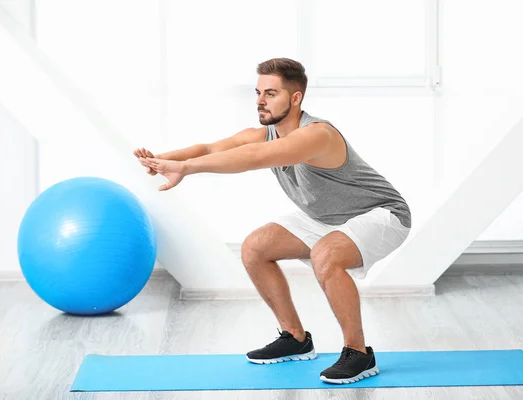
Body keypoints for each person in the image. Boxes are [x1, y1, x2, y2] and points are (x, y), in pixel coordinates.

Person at [134, 58, 411, 384]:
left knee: (326, 254)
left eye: (270, 93)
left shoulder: (316, 135)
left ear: (295, 98)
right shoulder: (263, 133)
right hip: (324, 217)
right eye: (257, 92)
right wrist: (166, 160)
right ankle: (295, 338)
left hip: (382, 213)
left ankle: (359, 354)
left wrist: (187, 169)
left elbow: (254, 158)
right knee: (255, 247)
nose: (260, 101)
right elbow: (211, 147)